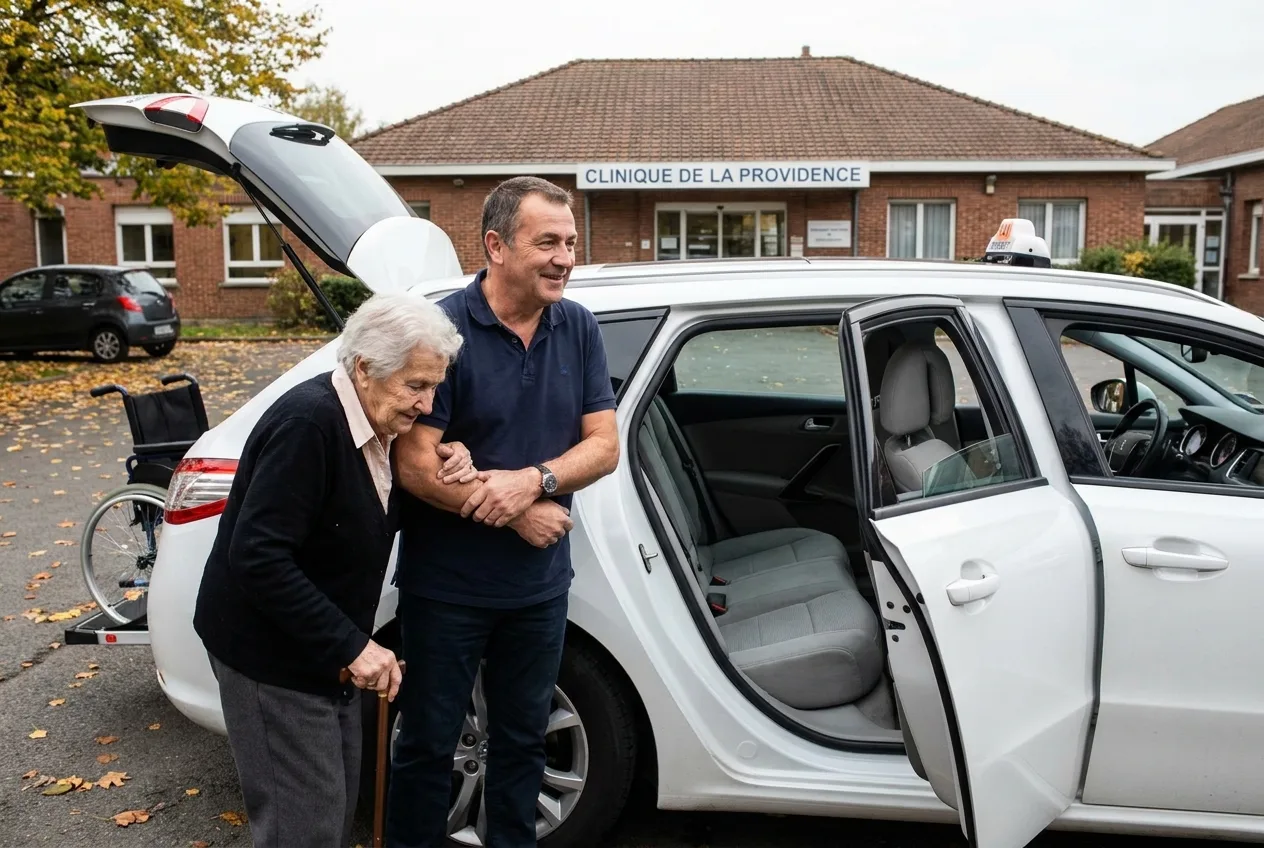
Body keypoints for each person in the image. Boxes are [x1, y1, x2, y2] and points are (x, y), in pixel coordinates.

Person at [387, 176, 620, 847]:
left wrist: (534, 480)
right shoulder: (442, 331)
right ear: (495, 245)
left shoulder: (576, 326)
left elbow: (603, 445)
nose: (565, 257)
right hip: (447, 591)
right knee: (428, 746)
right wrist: (518, 510)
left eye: (570, 243)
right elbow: (415, 465)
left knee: (522, 745)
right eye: (547, 242)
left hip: (539, 591)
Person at [193, 291, 471, 848]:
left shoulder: (374, 423)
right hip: (271, 661)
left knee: (331, 810)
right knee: (305, 828)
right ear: (365, 367)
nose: (427, 402)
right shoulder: (310, 423)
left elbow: (358, 512)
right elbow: (258, 555)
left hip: (321, 658)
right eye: (416, 385)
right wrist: (352, 646)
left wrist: (454, 454)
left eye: (435, 385)